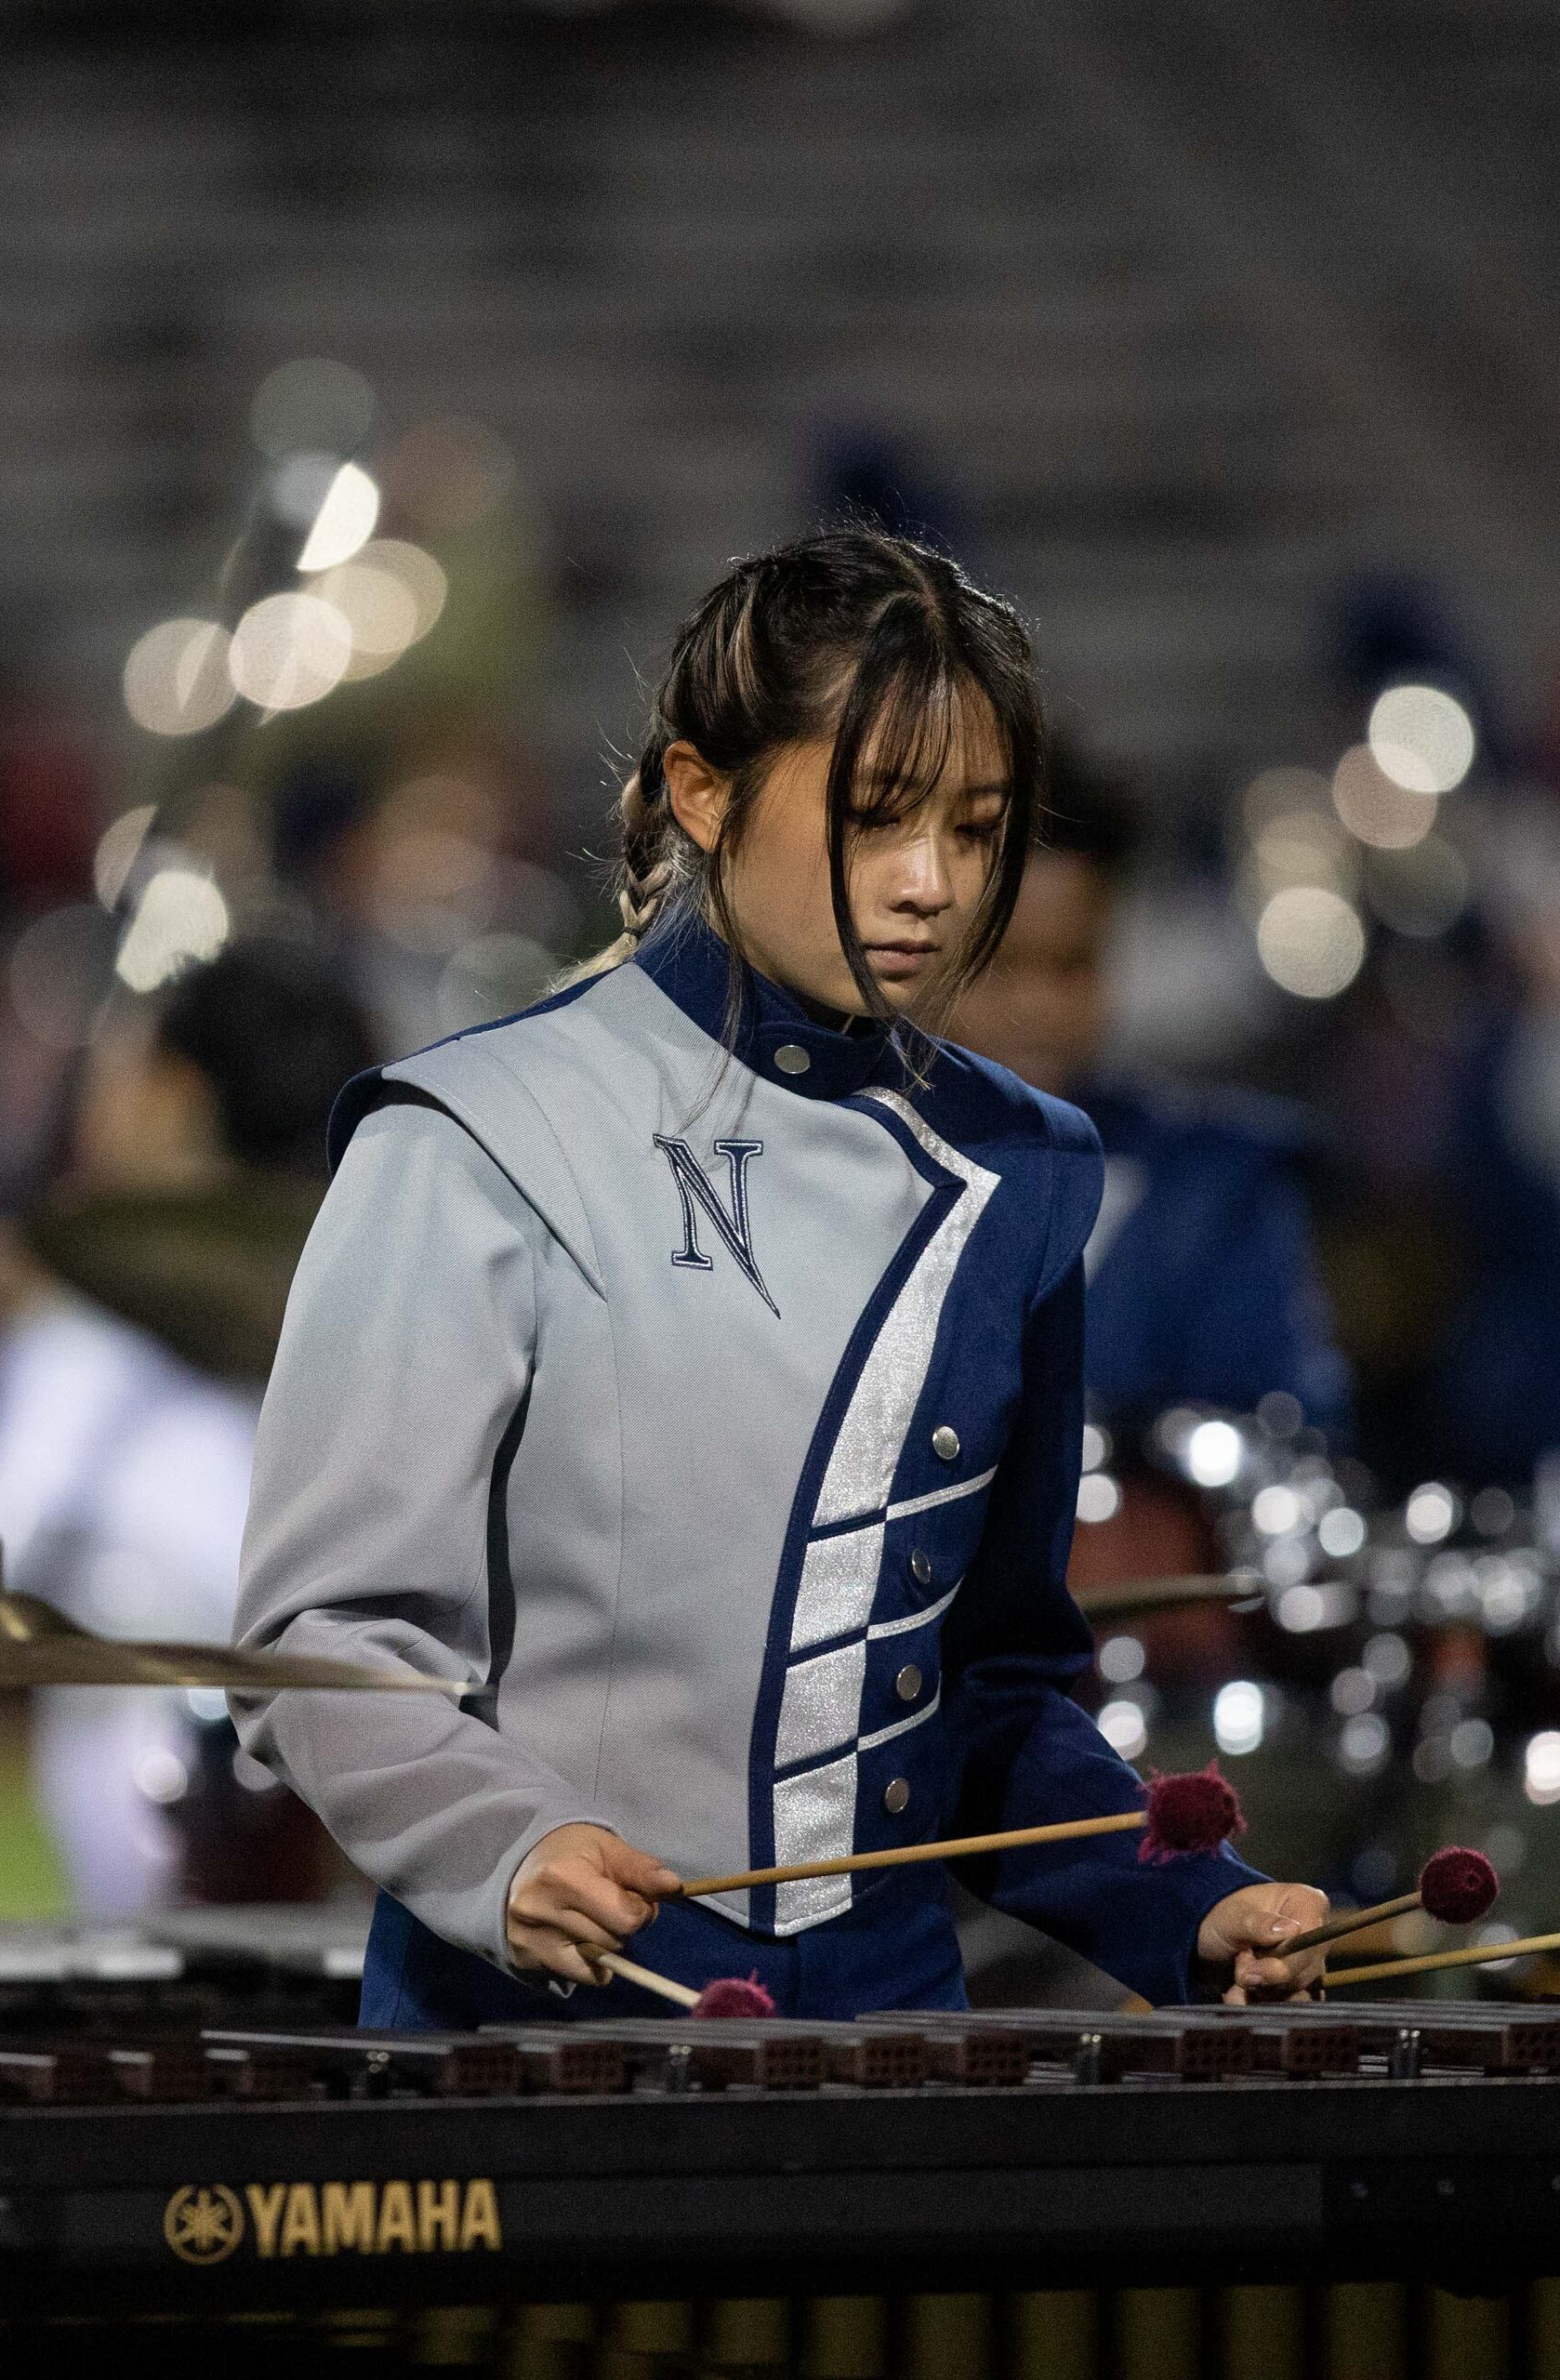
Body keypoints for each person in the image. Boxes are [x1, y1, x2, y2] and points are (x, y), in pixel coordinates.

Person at [232, 528, 1329, 2025]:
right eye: (879, 818)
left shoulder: (1016, 1172)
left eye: (977, 829)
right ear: (702, 790)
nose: (935, 884)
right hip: (536, 2039)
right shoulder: (478, 1136)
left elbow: (996, 1695)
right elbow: (319, 1642)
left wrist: (1179, 1908)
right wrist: (498, 1846)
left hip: (891, 2042)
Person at [0, 936, 381, 1912]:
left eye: (117, 1069)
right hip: (385, 1802)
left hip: (178, 1815)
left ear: (173, 1098)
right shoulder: (389, 1292)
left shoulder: (88, 1315)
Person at [945, 762, 1352, 1440]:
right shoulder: (846, 1167)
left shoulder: (1212, 1189)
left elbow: (1291, 1447)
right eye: (999, 967)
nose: (1039, 1010)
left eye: (1072, 966)